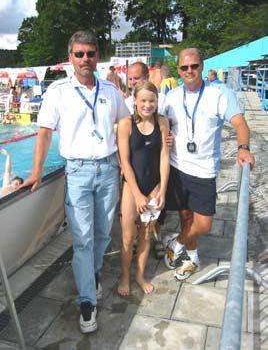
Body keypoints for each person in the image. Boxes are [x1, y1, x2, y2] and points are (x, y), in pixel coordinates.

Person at [20, 30, 129, 334]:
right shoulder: (58, 91)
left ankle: (92, 276)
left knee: (102, 235)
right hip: (78, 172)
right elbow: (44, 131)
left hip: (108, 170)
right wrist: (36, 171)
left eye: (90, 53)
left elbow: (124, 120)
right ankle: (86, 302)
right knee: (82, 239)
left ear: (97, 56)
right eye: (79, 54)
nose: (85, 59)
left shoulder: (110, 90)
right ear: (70, 58)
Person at [163, 48, 255, 280]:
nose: (189, 70)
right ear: (179, 70)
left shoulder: (219, 92)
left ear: (202, 66)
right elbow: (160, 124)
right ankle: (192, 259)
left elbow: (240, 124)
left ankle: (177, 243)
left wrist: (243, 148)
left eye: (194, 66)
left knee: (203, 224)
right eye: (184, 67)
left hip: (204, 171)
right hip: (177, 167)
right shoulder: (172, 96)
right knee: (186, 219)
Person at [117, 81, 170, 296]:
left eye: (152, 100)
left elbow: (165, 157)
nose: (147, 105)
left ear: (157, 102)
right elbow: (125, 162)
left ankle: (139, 275)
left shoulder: (163, 122)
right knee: (128, 237)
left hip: (154, 186)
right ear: (135, 102)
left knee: (146, 235)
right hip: (132, 188)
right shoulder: (125, 124)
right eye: (143, 101)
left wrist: (162, 190)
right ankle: (125, 276)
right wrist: (138, 194)